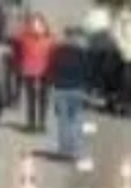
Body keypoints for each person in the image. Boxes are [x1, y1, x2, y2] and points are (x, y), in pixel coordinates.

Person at [48, 28, 91, 159]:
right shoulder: (83, 53)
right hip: (76, 89)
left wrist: (53, 81)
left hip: (61, 88)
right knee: (75, 121)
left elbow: (52, 67)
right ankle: (73, 150)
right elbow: (88, 71)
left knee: (63, 121)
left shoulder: (58, 51)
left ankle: (64, 150)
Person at [16, 14, 56, 132]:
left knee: (40, 99)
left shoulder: (49, 38)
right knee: (34, 99)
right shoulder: (26, 37)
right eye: (34, 24)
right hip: (32, 70)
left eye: (39, 24)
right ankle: (34, 124)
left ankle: (38, 124)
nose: (36, 27)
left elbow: (54, 55)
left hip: (43, 71)